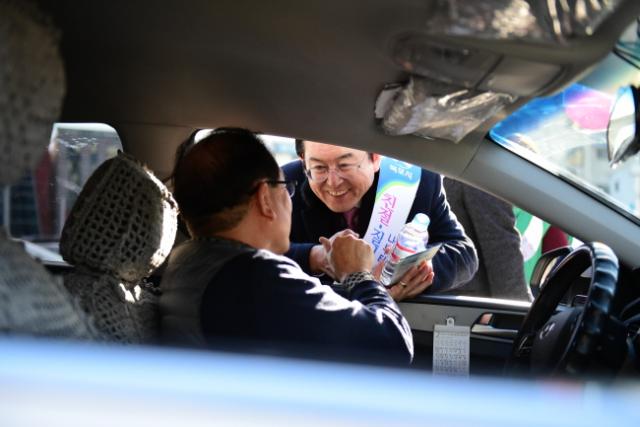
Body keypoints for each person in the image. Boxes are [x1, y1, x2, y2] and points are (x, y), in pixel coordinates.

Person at [159, 128, 413, 364]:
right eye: (285, 188)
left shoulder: (185, 263)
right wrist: (359, 275)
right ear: (265, 198)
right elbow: (392, 345)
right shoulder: (255, 278)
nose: (289, 199)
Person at [283, 140, 478, 299]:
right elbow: (264, 255)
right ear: (303, 162)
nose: (333, 182)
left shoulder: (415, 181)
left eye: (345, 165)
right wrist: (316, 257)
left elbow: (464, 254)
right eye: (319, 167)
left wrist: (413, 271)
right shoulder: (282, 185)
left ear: (375, 158)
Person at [443, 178, 532, 301]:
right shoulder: (479, 177)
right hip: (467, 302)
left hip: (452, 296)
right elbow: (501, 249)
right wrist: (522, 307)